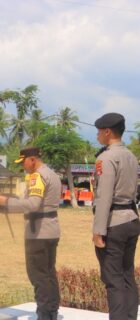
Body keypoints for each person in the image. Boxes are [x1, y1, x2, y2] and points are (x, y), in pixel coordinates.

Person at [0, 147, 61, 320]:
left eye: (23, 162)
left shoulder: (37, 176)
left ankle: (45, 314)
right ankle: (51, 312)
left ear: (32, 160)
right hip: (51, 230)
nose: (23, 166)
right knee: (48, 274)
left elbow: (33, 204)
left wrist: (7, 202)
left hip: (38, 232)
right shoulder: (52, 174)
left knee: (39, 276)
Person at [91, 113, 140, 320]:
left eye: (99, 131)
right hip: (131, 218)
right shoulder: (130, 156)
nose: (98, 136)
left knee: (113, 278)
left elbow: (104, 196)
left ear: (107, 132)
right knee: (127, 274)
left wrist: (98, 230)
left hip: (114, 223)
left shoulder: (106, 157)